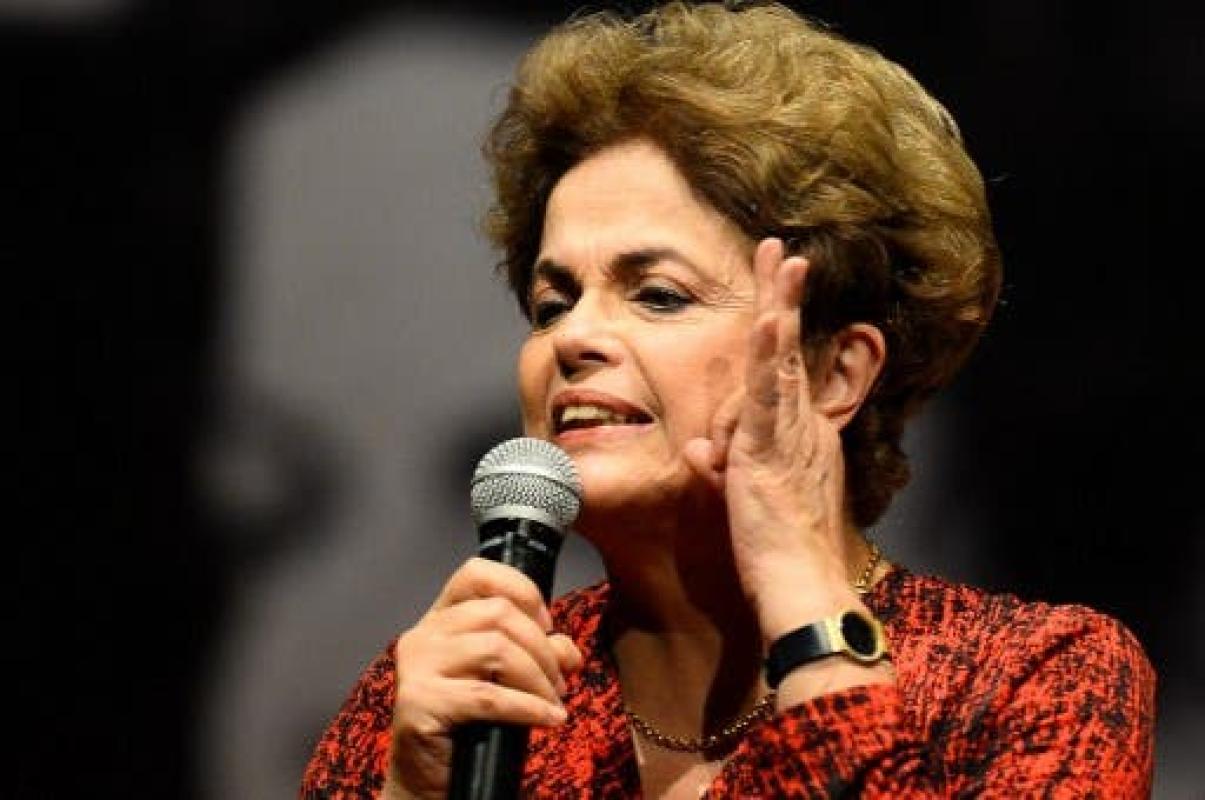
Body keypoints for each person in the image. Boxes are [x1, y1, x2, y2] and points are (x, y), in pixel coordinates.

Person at [300, 2, 1155, 797]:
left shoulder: (1032, 680)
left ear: (835, 374)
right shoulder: (433, 704)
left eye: (658, 294)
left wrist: (809, 619)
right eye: (553, 303)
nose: (571, 338)